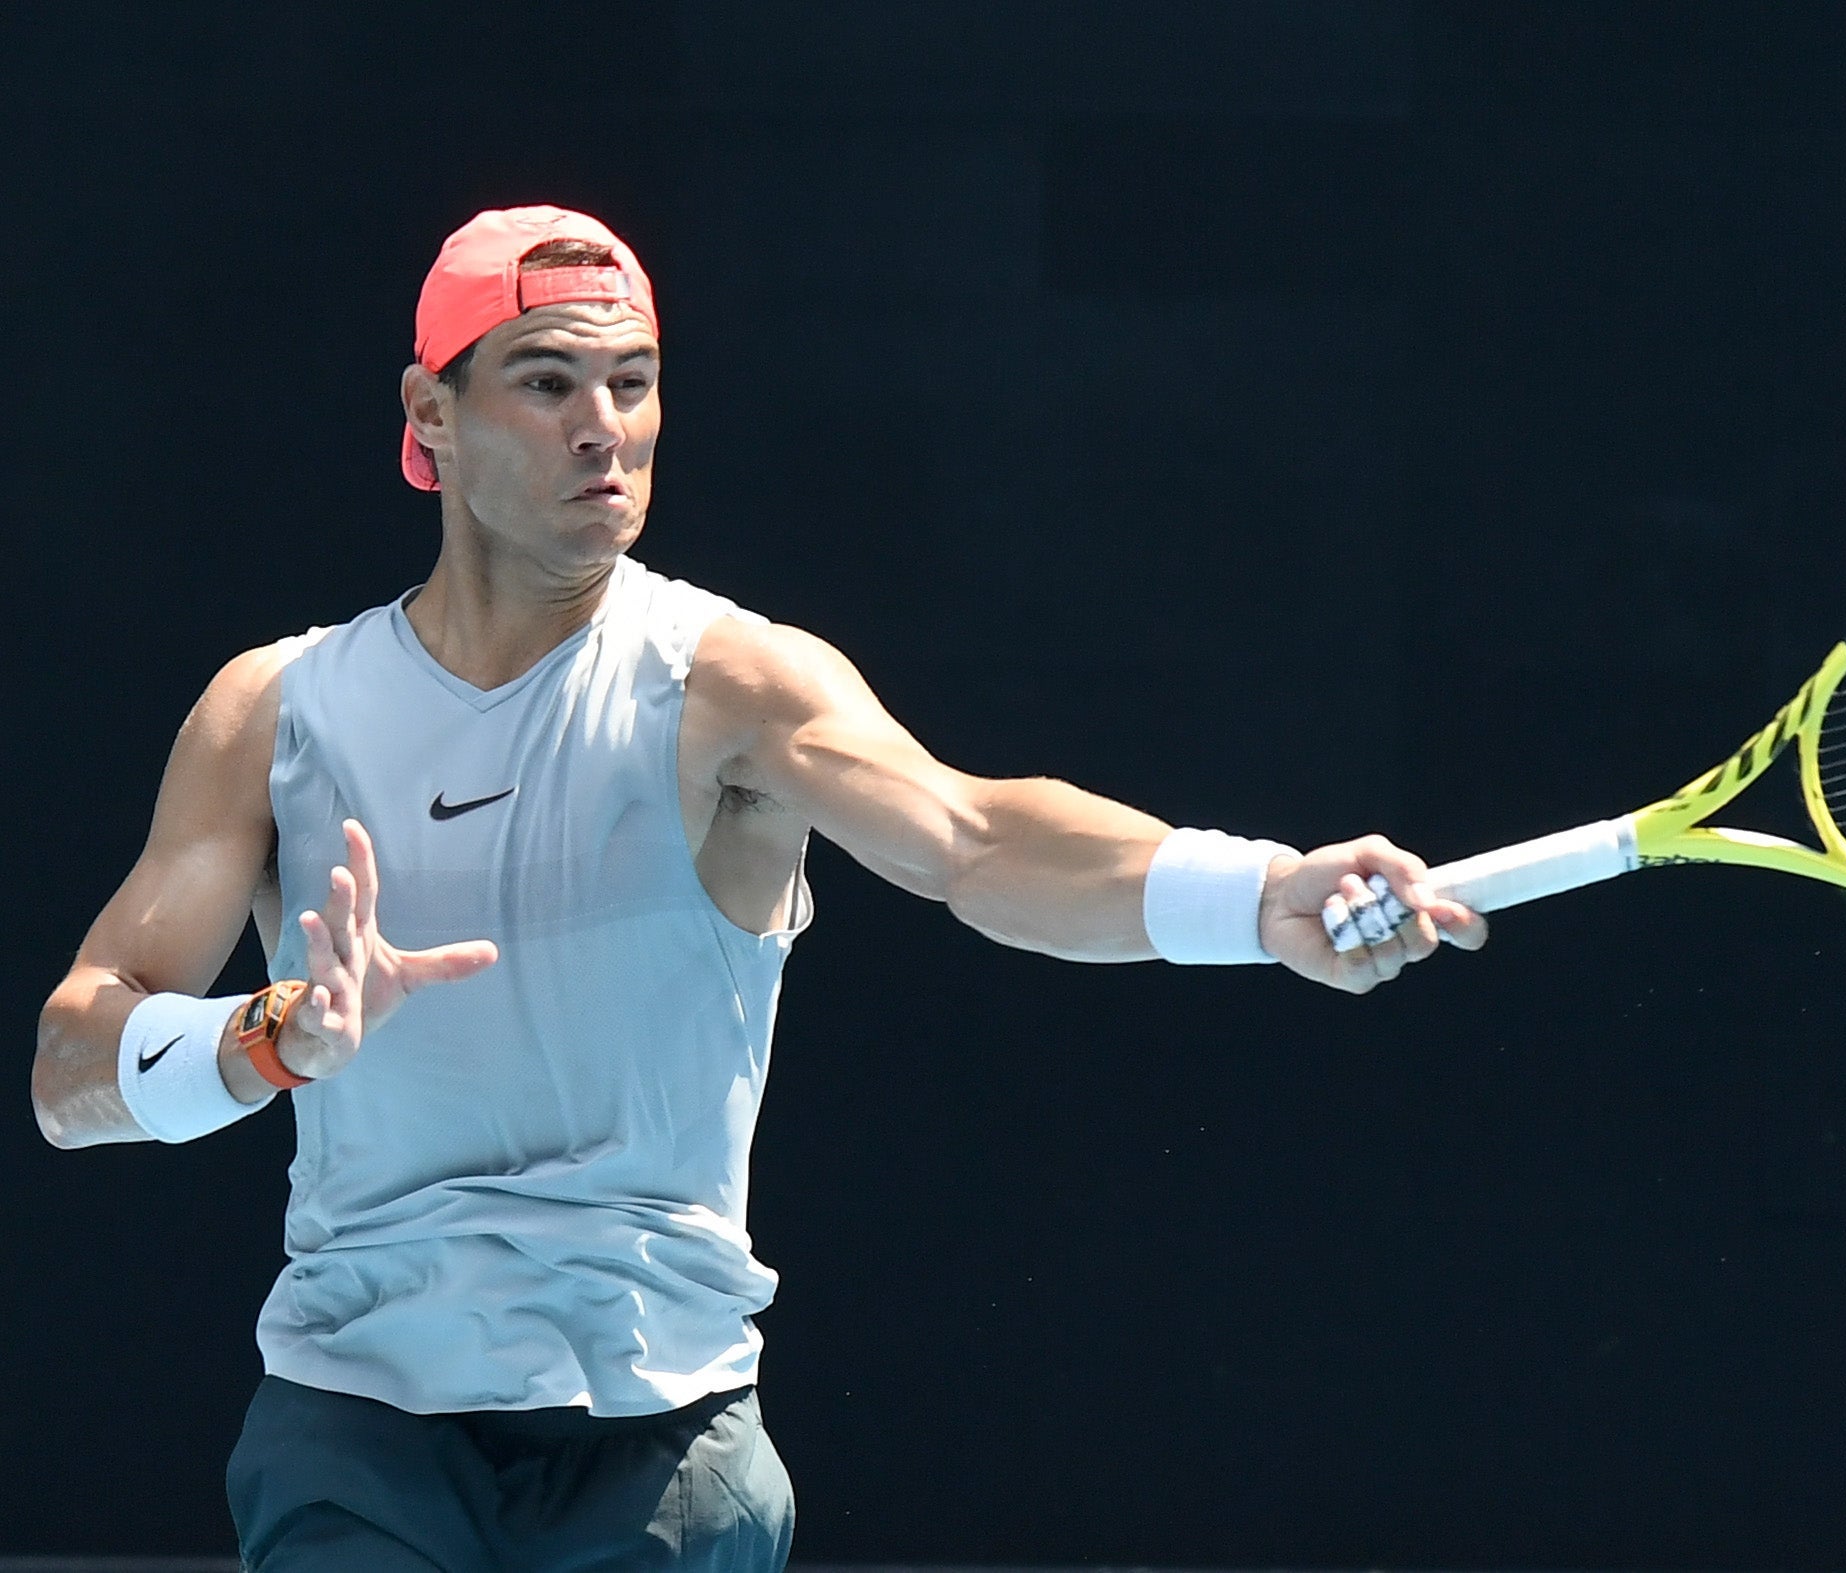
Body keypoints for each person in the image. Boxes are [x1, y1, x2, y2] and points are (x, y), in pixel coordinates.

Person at [30, 205, 1485, 1571]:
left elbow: (973, 836)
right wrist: (269, 1032)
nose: (605, 428)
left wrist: (1262, 894)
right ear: (431, 417)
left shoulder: (727, 683)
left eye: (635, 382)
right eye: (546, 382)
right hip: (354, 1417)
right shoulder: (272, 710)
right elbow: (70, 1065)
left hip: (662, 1434)